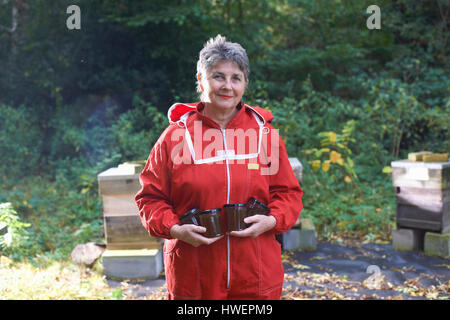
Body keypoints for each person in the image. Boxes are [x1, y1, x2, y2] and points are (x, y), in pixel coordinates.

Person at [135, 34, 303, 300]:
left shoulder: (264, 135)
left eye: (235, 78)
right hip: (194, 274)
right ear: (201, 80)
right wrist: (175, 229)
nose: (227, 86)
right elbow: (150, 198)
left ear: (245, 84)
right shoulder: (176, 136)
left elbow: (289, 195)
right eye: (218, 76)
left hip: (254, 272)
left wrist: (272, 220)